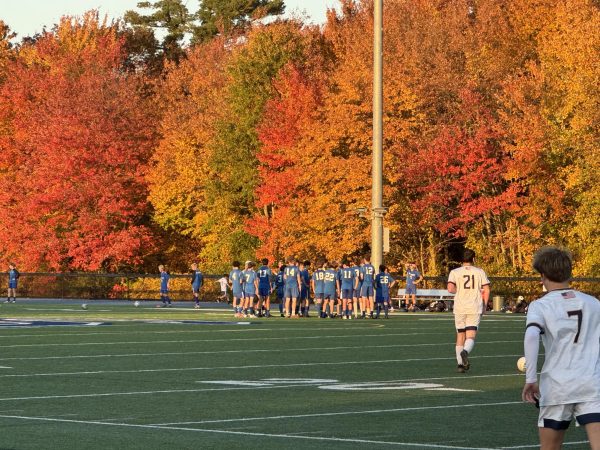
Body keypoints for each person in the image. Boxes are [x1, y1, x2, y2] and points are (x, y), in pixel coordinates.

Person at [522, 246, 600, 449]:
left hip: (557, 385)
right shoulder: (593, 303)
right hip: (592, 383)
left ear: (543, 275)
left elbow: (531, 336)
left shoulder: (540, 305)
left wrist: (530, 379)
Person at [447, 249, 490, 373]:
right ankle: (465, 352)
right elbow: (486, 289)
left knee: (460, 335)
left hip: (460, 307)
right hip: (474, 306)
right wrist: (485, 305)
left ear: (461, 260)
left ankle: (460, 365)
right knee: (470, 335)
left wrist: (459, 291)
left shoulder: (454, 272)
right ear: (474, 259)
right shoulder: (479, 272)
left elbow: (450, 289)